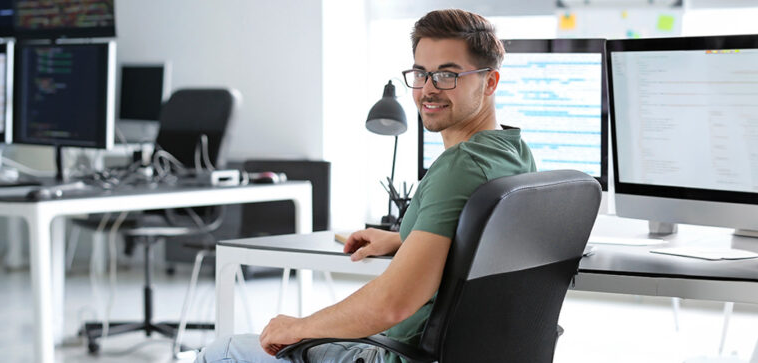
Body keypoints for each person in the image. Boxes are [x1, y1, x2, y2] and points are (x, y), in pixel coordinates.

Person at [196, 8, 535, 363]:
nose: (428, 90)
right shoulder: (515, 153)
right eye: (420, 73)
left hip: (400, 356)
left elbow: (392, 304)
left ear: (490, 82)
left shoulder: (458, 168)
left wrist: (298, 327)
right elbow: (479, 242)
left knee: (222, 352)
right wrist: (408, 237)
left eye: (447, 75)